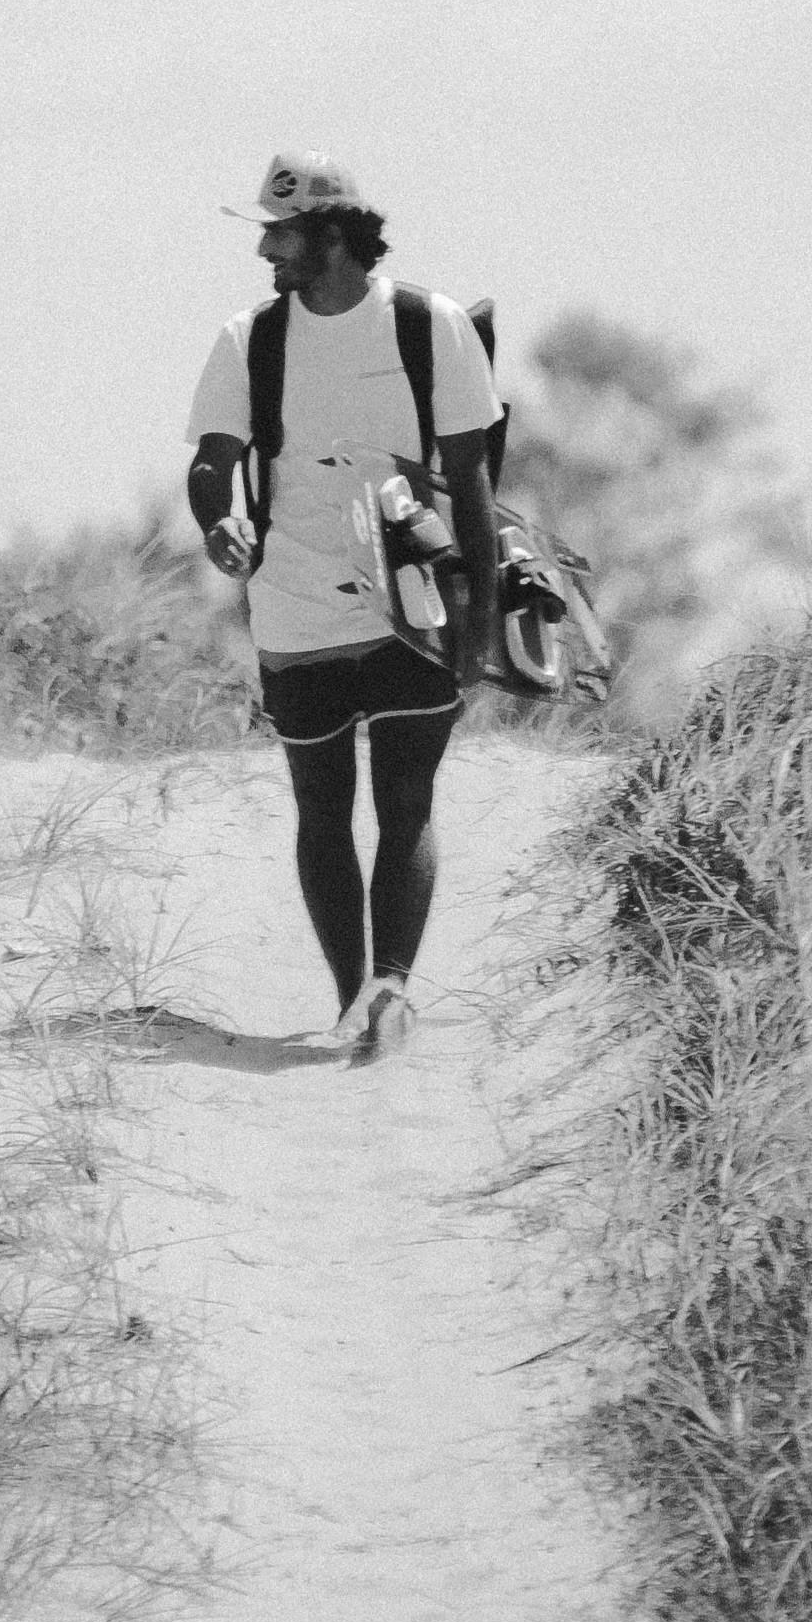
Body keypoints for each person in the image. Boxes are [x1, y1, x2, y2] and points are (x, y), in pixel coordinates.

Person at [186, 152, 502, 1058]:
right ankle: (352, 996)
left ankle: (394, 983)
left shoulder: (428, 325)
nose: (264, 253)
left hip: (410, 600)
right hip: (292, 603)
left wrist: (476, 621)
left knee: (405, 799)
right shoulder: (249, 339)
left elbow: (470, 481)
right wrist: (220, 521)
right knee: (321, 808)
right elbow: (212, 458)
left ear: (330, 237)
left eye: (277, 234)